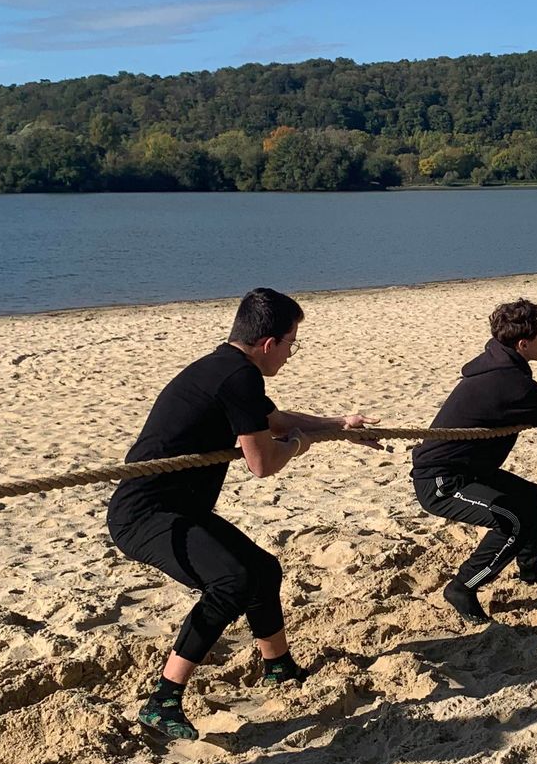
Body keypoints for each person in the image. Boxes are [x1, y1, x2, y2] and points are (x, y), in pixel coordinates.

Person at [107, 288, 376, 739]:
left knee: (263, 570)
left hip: (178, 508)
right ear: (269, 344)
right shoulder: (239, 378)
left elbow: (275, 420)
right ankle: (163, 700)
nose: (290, 355)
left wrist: (337, 425)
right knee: (231, 581)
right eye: (291, 344)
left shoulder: (226, 367)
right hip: (145, 515)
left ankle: (279, 667)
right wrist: (300, 445)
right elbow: (263, 463)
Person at [412, 300, 537, 623]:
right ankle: (462, 587)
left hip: (471, 470)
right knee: (512, 521)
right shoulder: (511, 381)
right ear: (523, 344)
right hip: (441, 481)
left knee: (530, 496)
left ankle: (531, 572)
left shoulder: (500, 362)